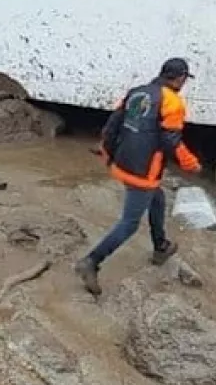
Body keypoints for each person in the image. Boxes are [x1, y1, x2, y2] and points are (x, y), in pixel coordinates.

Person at [73, 58, 202, 296]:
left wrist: (107, 152)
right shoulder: (172, 102)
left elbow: (114, 123)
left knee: (158, 198)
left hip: (123, 161)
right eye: (185, 79)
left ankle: (160, 245)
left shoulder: (138, 92)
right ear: (180, 78)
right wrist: (190, 163)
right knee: (129, 224)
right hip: (144, 171)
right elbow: (171, 140)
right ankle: (91, 262)